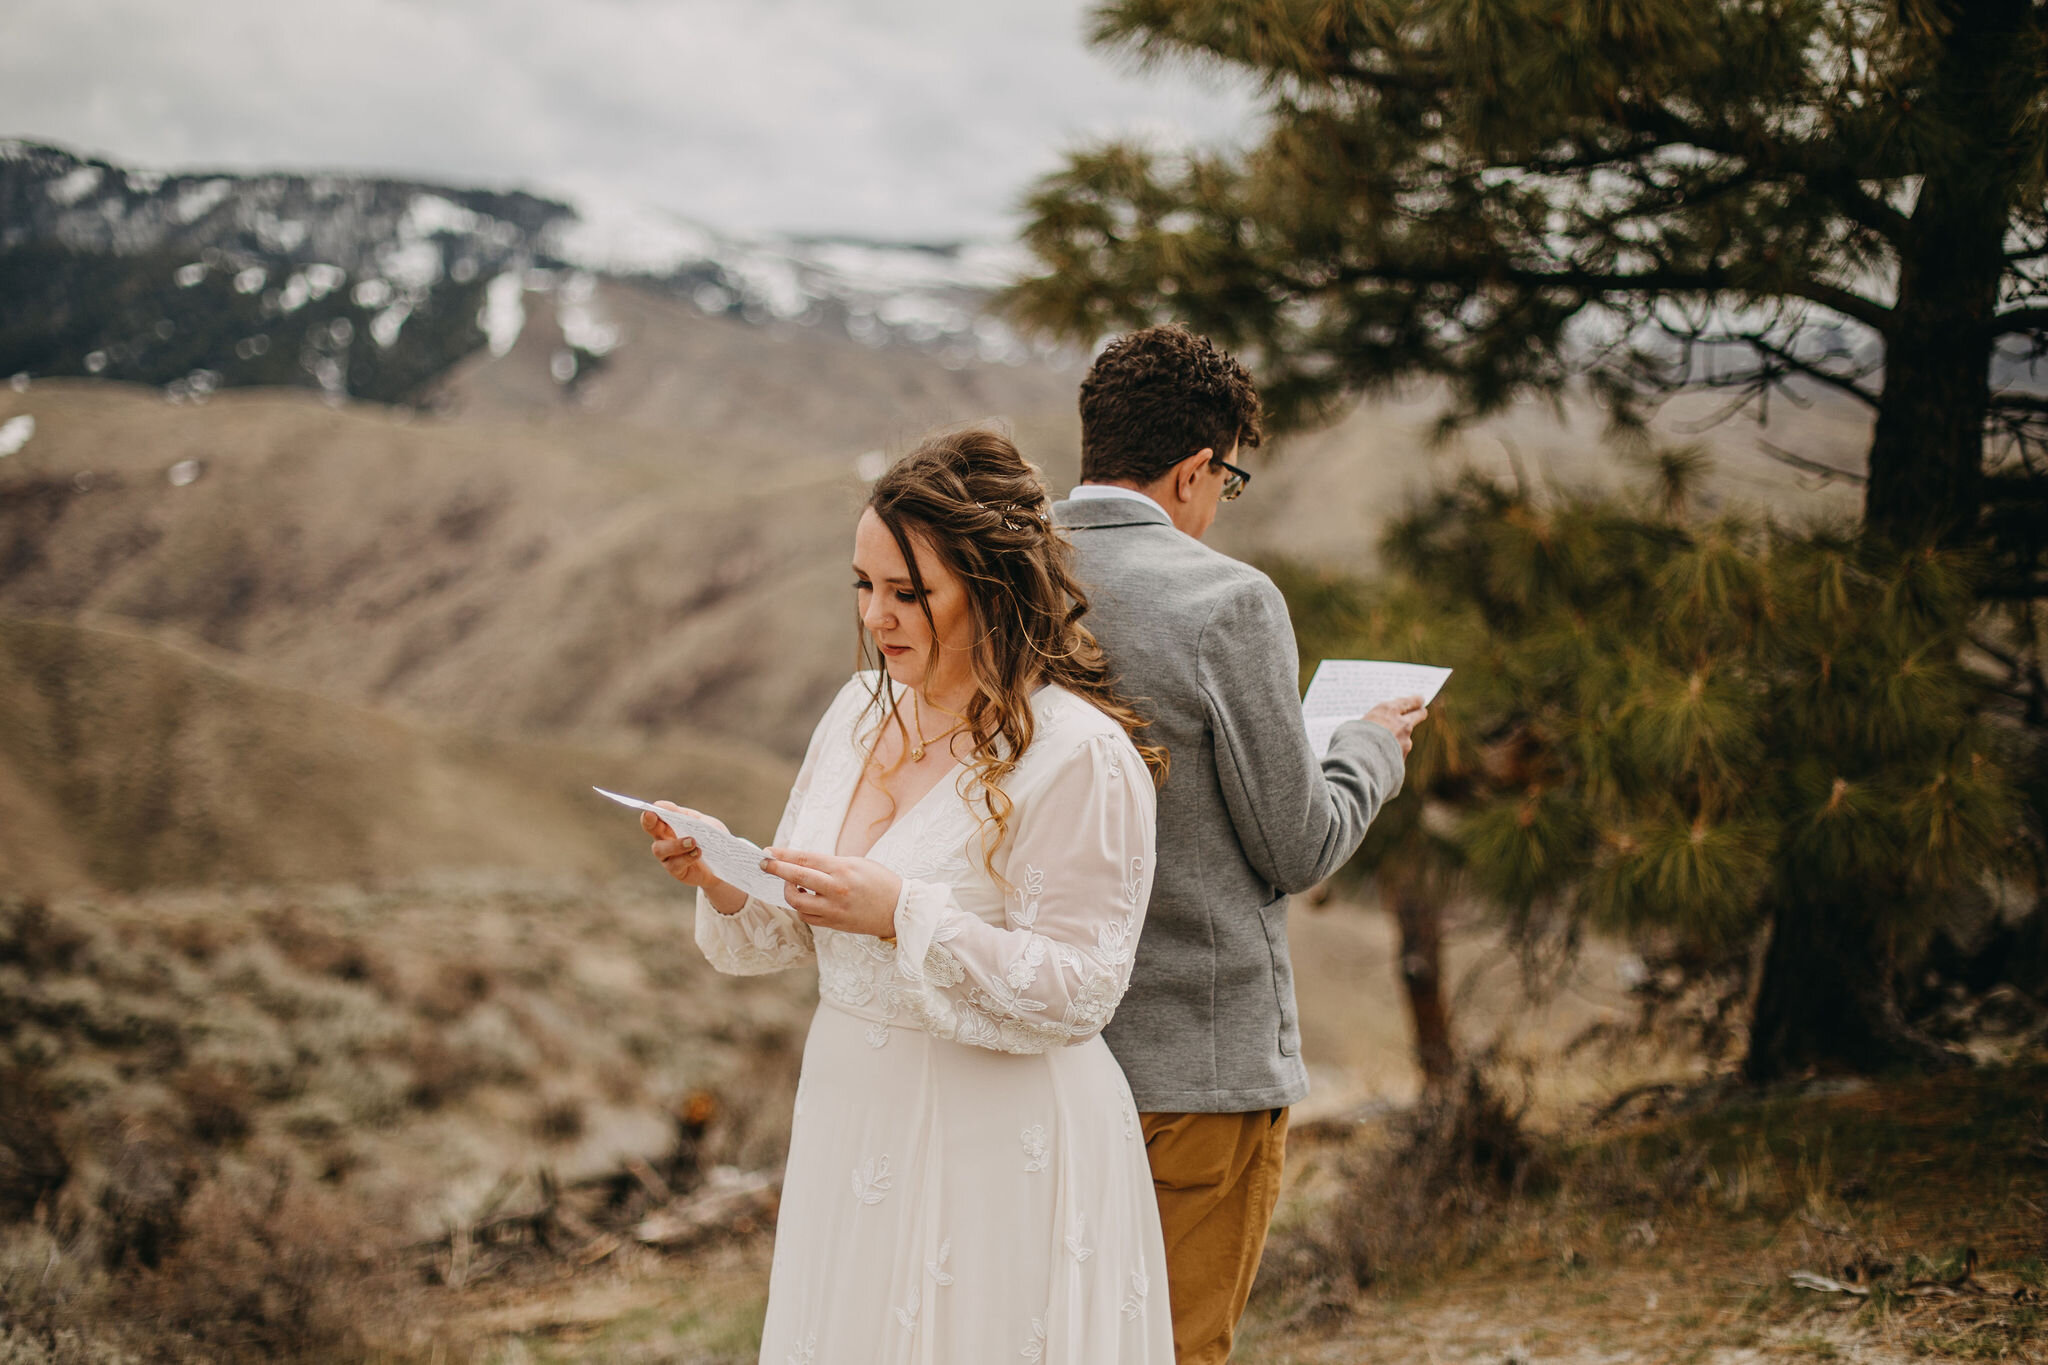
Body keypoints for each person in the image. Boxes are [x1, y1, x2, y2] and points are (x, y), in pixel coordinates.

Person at [642, 428, 1175, 1365]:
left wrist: (905, 915)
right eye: (864, 585)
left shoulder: (1079, 753)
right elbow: (794, 928)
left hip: (1002, 1143)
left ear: (994, 587)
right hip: (854, 1120)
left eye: (909, 592)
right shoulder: (855, 713)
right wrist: (722, 875)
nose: (878, 616)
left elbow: (1084, 986)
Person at [1051, 325, 1426, 1364]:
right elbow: (1297, 846)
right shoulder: (1224, 600)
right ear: (1191, 471)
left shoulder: (1002, 577)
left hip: (1035, 1055)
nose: (1217, 507)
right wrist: (1366, 752)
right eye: (1226, 481)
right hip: (1193, 1069)